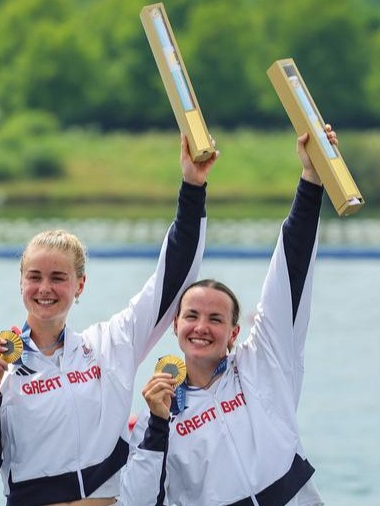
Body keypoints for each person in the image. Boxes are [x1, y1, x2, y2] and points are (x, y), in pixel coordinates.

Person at [0, 135, 216, 505]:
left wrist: (193, 186)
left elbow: (171, 279)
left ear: (80, 285)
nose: (45, 288)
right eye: (35, 277)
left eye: (58, 278)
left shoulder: (109, 344)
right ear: (21, 282)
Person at [121, 128, 337, 506]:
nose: (202, 327)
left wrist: (312, 178)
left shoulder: (263, 364)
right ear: (175, 326)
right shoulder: (155, 413)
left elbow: (291, 268)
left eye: (216, 319)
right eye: (191, 316)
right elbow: (138, 501)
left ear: (235, 332)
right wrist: (157, 426)